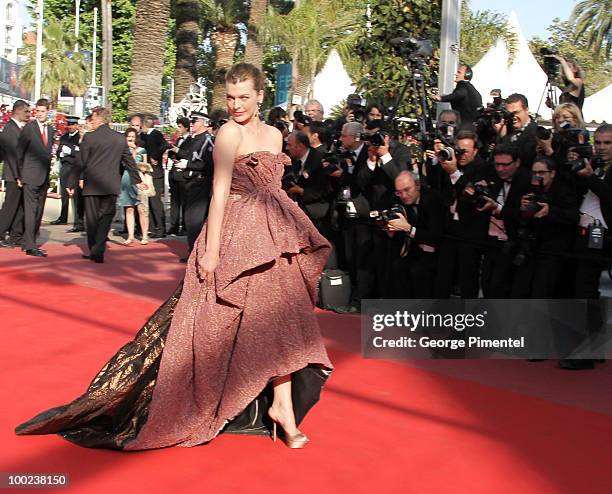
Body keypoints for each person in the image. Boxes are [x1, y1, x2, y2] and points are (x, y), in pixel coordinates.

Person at [16, 63, 333, 450]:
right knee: (221, 324)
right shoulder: (228, 134)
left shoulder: (274, 134)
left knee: (281, 319)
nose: (236, 105)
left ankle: (282, 405)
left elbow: (275, 190)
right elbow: (219, 192)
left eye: (244, 98)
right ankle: (265, 406)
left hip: (274, 234)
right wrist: (212, 250)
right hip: (236, 235)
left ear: (260, 96)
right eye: (231, 98)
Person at [71, 107, 146, 263]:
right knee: (106, 217)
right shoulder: (119, 138)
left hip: (92, 184)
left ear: (99, 119)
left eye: (92, 118)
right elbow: (129, 161)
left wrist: (72, 180)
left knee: (91, 219)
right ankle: (98, 249)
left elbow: (80, 161)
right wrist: (137, 180)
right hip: (111, 184)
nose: (90, 122)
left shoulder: (89, 138)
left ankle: (95, 250)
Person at [18, 98, 55, 257]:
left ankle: (28, 241)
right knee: (31, 210)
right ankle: (31, 246)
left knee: (39, 211)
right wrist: (19, 175)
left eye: (42, 111)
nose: (39, 114)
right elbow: (19, 152)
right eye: (37, 111)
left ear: (48, 111)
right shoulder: (29, 128)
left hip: (44, 177)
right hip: (30, 175)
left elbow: (48, 153)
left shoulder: (51, 130)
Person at [0, 99, 29, 249]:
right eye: (26, 111)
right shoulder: (10, 129)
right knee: (10, 206)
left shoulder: (17, 128)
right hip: (13, 175)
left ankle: (15, 235)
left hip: (17, 174)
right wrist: (18, 176)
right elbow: (12, 156)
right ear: (18, 110)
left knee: (19, 206)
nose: (28, 114)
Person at [118, 127, 150, 246]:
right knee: (129, 208)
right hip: (127, 179)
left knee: (141, 209)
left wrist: (136, 153)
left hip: (139, 179)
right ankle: (130, 236)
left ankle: (144, 235)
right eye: (128, 137)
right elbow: (124, 164)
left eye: (133, 136)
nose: (131, 139)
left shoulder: (142, 150)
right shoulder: (123, 151)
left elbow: (146, 166)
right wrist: (130, 152)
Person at [52, 116, 84, 231]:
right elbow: (59, 150)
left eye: (72, 124)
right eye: (69, 124)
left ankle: (79, 222)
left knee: (76, 196)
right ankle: (63, 217)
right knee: (64, 194)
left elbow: (80, 152)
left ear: (76, 125)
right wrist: (61, 153)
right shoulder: (65, 136)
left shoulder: (79, 137)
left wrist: (70, 151)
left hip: (75, 167)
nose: (70, 126)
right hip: (65, 166)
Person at [432, 64, 482, 130]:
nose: (456, 74)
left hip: (465, 125)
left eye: (459, 72)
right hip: (472, 125)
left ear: (467, 75)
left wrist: (441, 98)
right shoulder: (470, 87)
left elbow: (460, 94)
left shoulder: (462, 84)